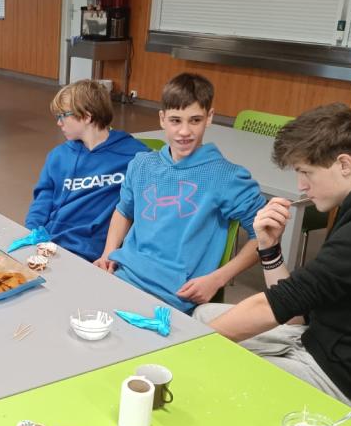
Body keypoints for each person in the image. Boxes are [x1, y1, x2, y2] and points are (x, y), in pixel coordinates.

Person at [195, 103, 351, 420]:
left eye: (306, 172)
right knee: (202, 316)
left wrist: (186, 346)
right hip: (318, 336)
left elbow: (280, 304)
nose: (300, 186)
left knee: (220, 375)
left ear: (344, 164)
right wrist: (268, 248)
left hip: (346, 379)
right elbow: (296, 313)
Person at [94, 72, 266, 311]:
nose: (184, 131)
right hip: (122, 276)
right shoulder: (141, 164)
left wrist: (218, 279)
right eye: (176, 120)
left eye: (195, 120)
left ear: (209, 117)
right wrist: (108, 253)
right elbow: (124, 210)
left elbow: (265, 237)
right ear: (162, 119)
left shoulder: (227, 177)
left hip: (173, 296)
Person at [25, 79, 149, 261]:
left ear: (87, 116)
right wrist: (31, 231)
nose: (59, 123)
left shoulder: (135, 156)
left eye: (63, 115)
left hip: (96, 252)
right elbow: (43, 199)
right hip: (52, 243)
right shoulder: (58, 156)